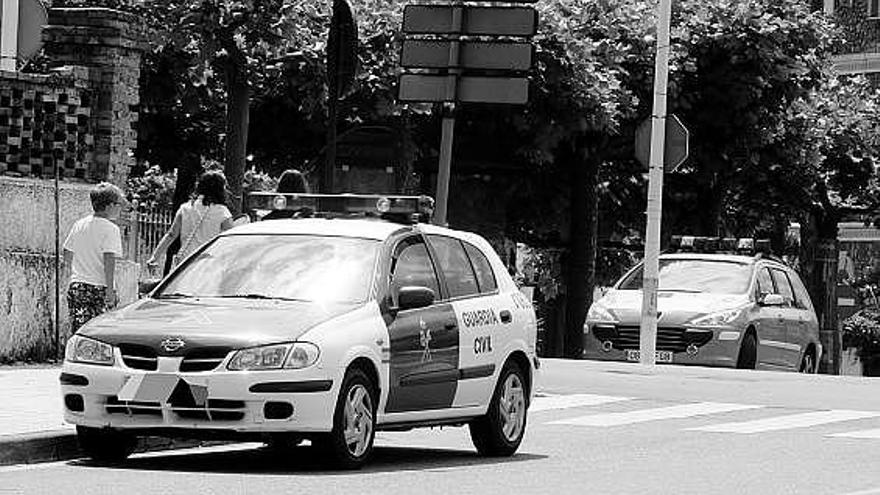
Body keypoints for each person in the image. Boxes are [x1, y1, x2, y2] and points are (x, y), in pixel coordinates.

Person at [62, 182, 125, 333]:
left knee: (80, 331)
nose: (120, 208)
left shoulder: (80, 224)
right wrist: (111, 289)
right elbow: (109, 259)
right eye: (119, 204)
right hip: (99, 287)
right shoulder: (111, 229)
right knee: (100, 333)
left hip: (78, 285)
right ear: (109, 205)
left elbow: (67, 251)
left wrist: (72, 273)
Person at [147, 170, 233, 270]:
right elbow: (231, 239)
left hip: (185, 262)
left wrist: (154, 258)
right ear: (220, 190)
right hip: (207, 264)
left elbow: (171, 234)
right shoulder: (222, 212)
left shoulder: (185, 208)